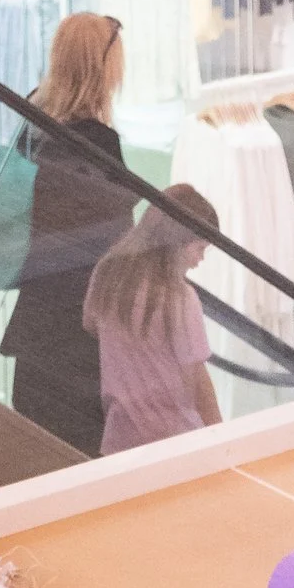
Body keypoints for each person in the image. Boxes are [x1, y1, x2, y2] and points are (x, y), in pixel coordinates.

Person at [1, 10, 131, 452]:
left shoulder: (31, 122)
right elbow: (117, 241)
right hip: (78, 334)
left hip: (33, 323)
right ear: (103, 67)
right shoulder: (97, 143)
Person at [84, 183, 223, 451]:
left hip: (120, 437)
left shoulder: (106, 273)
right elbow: (197, 378)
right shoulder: (180, 298)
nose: (200, 260)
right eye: (200, 248)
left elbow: (90, 323)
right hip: (177, 439)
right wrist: (220, 437)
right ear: (177, 242)